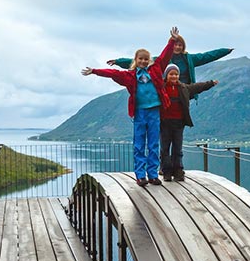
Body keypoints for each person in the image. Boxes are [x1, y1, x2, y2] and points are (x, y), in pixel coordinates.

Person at [107, 33, 232, 174]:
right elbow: (139, 60)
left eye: (180, 45)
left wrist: (224, 51)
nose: (177, 47)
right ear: (171, 45)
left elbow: (207, 56)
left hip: (182, 95)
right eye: (175, 44)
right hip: (166, 96)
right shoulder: (162, 61)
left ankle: (178, 168)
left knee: (177, 139)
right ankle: (164, 168)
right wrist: (118, 61)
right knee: (164, 137)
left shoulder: (189, 59)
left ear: (183, 46)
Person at [81, 27, 179, 187]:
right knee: (139, 144)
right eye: (140, 59)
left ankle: (153, 174)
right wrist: (95, 71)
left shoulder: (156, 69)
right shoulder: (129, 75)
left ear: (149, 60)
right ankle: (141, 175)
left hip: (154, 111)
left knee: (154, 144)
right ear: (135, 60)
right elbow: (112, 73)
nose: (143, 61)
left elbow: (165, 56)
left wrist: (172, 40)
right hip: (140, 113)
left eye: (146, 59)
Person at [160, 63, 218, 181]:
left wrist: (211, 83)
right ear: (166, 75)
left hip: (179, 123)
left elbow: (198, 87)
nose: (174, 76)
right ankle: (166, 171)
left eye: (176, 74)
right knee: (164, 149)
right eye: (171, 74)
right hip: (164, 123)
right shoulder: (161, 88)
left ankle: (178, 170)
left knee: (177, 148)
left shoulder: (184, 88)